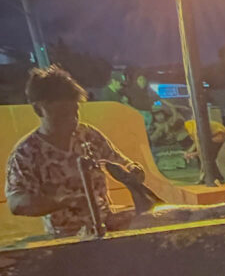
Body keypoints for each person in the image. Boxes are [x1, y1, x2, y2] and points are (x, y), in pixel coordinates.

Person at [5, 65, 143, 237]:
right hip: (66, 239)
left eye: (75, 112)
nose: (72, 120)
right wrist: (62, 202)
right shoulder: (27, 153)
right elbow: (16, 202)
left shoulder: (89, 135)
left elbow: (121, 162)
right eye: (62, 114)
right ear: (38, 109)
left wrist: (133, 170)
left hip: (106, 226)